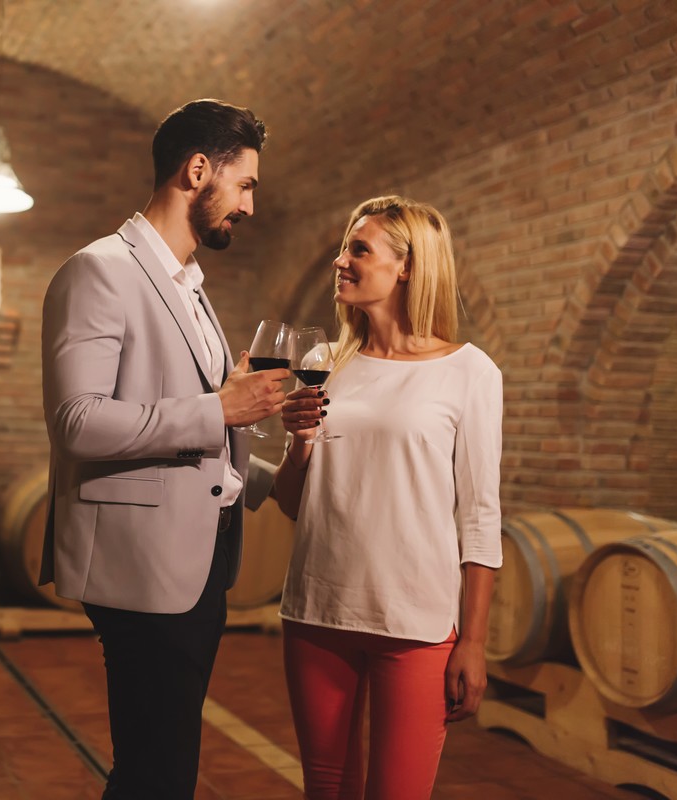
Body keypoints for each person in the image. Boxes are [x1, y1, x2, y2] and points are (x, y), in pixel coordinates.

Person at [40, 98, 285, 800]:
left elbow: (201, 423)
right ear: (198, 170)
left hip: (200, 556)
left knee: (164, 765)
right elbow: (78, 423)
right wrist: (220, 407)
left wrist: (257, 460)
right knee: (157, 771)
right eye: (245, 186)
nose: (248, 206)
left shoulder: (190, 286)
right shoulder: (100, 271)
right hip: (143, 560)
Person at [273, 195, 503, 800]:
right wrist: (299, 443)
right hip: (318, 608)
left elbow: (481, 517)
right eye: (344, 248)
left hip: (416, 621)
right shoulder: (326, 362)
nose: (341, 262)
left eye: (359, 249)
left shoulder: (470, 372)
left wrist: (473, 643)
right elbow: (294, 502)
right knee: (326, 789)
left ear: (407, 266)